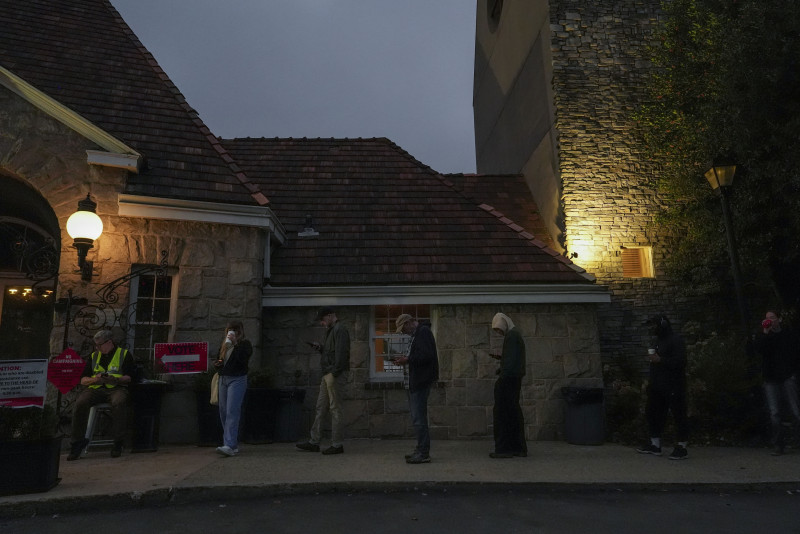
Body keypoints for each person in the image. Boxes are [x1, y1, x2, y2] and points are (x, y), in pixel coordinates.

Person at [67, 329, 136, 461]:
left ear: (109, 342)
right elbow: (83, 380)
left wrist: (114, 379)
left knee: (119, 402)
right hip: (96, 388)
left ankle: (118, 442)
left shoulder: (124, 354)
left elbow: (129, 378)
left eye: (100, 345)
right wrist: (95, 379)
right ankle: (77, 443)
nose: (97, 348)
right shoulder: (94, 356)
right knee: (81, 403)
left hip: (116, 387)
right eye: (96, 345)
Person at [296, 307, 350, 455]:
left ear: (331, 315)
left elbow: (341, 354)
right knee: (321, 407)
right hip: (328, 373)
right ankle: (314, 441)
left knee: (335, 409)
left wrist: (334, 373)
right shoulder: (333, 330)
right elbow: (332, 352)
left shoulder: (340, 330)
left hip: (334, 374)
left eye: (323, 319)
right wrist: (321, 348)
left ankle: (337, 444)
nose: (322, 323)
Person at [636, 315, 689, 460]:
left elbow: (681, 361)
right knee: (653, 413)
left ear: (663, 325)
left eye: (654, 325)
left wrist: (661, 360)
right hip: (657, 385)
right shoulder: (658, 341)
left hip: (673, 385)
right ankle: (655, 444)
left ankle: (682, 446)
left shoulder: (675, 340)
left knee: (678, 415)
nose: (652, 329)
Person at [392, 314, 440, 464]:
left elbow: (427, 356)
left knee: (419, 419)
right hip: (415, 382)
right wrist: (407, 358)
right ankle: (420, 449)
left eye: (403, 328)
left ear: (408, 323)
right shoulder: (418, 334)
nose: (404, 332)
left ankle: (423, 453)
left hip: (420, 382)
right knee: (417, 418)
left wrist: (407, 359)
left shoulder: (423, 332)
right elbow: (420, 355)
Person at [754, 310, 800, 455]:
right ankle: (779, 445)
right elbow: (758, 350)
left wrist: (793, 373)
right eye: (767, 318)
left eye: (772, 318)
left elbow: (795, 353)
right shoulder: (765, 336)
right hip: (771, 378)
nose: (770, 321)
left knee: (795, 411)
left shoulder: (788, 335)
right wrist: (765, 333)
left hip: (786, 376)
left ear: (779, 319)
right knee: (775, 413)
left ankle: (797, 441)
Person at [488, 312, 527, 458]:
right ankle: (516, 447)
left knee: (503, 414)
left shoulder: (512, 336)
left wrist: (502, 375)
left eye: (498, 329)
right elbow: (514, 359)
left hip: (509, 380)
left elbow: (511, 364)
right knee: (512, 413)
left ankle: (505, 447)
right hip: (513, 379)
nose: (499, 333)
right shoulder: (514, 335)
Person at [214, 320, 252, 457]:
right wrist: (218, 364)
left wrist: (235, 344)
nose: (233, 332)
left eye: (235, 330)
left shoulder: (245, 344)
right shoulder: (225, 344)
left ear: (240, 331)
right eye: (230, 329)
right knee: (223, 411)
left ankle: (229, 444)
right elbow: (220, 358)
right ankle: (230, 443)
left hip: (237, 378)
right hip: (224, 378)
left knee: (232, 410)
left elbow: (243, 360)